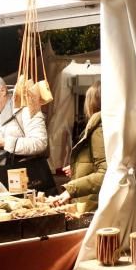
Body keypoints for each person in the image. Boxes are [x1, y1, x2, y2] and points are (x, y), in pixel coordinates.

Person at [0, 72, 53, 192]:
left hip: (25, 180)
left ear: (3, 91)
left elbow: (40, 143)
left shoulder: (26, 107)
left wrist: (4, 142)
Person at [50, 81, 105, 212]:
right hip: (94, 198)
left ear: (92, 102)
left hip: (95, 202)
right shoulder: (102, 125)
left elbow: (105, 171)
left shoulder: (99, 128)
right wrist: (78, 166)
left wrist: (71, 190)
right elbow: (97, 160)